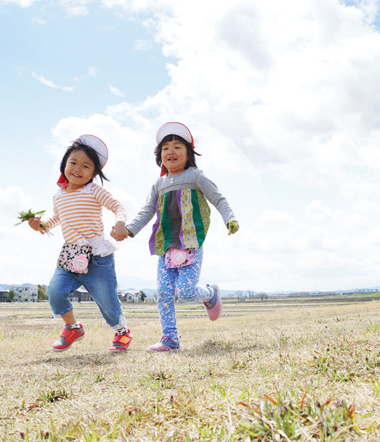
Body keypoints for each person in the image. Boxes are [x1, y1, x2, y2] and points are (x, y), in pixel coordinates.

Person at [114, 122, 239, 352]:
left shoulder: (196, 176)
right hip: (166, 245)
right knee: (163, 293)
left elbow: (218, 198)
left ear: (189, 153)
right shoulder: (158, 184)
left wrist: (230, 219)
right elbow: (146, 210)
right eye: (165, 148)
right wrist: (129, 229)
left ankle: (210, 293)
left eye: (177, 146)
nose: (171, 151)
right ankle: (170, 339)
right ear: (159, 156)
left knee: (186, 292)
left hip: (191, 242)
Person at [28, 135, 132, 352]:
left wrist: (120, 224)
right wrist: (40, 227)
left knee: (108, 302)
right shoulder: (58, 195)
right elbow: (58, 218)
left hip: (98, 258)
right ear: (64, 165)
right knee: (54, 291)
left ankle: (122, 333)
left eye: (85, 166)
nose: (77, 169)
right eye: (73, 163)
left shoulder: (93, 190)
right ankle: (72, 327)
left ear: (94, 173)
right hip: (71, 254)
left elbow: (118, 207)